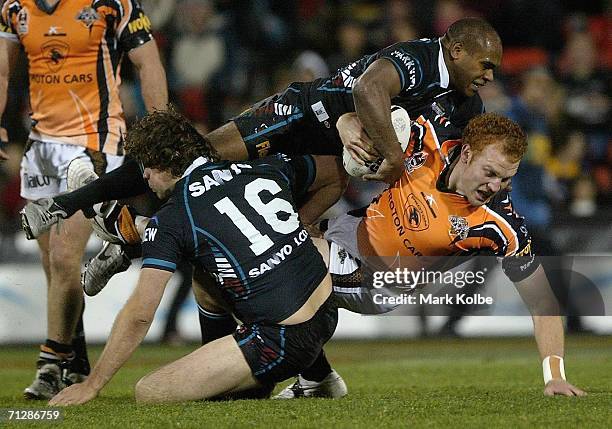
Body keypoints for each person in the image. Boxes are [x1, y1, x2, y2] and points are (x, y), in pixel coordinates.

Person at [20, 16, 502, 241]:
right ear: (456, 51)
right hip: (304, 111)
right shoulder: (418, 59)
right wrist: (394, 158)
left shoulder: (465, 99)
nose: (490, 75)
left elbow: (457, 149)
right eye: (485, 64)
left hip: (332, 153)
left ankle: (133, 237)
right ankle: (63, 205)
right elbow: (367, 93)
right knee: (195, 159)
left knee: (294, 221)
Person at [278, 112, 585, 397]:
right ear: (466, 154)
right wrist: (349, 124)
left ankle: (310, 372)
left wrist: (554, 375)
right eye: (490, 172)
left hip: (376, 280)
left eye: (506, 180)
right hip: (346, 228)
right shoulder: (428, 134)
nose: (495, 187)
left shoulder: (501, 227)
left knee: (280, 266)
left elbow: (543, 301)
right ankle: (311, 372)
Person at [49, 107, 341, 406]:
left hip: (282, 340)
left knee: (150, 391)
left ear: (164, 162)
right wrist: (302, 222)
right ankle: (309, 375)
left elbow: (140, 312)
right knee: (203, 276)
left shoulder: (173, 218)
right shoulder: (261, 168)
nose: (145, 176)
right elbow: (335, 170)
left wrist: (92, 385)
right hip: (327, 312)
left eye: (146, 165)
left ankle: (129, 226)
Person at [0, 0, 168, 400]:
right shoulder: (13, 7)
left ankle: (50, 363)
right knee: (52, 264)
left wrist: (161, 132)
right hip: (41, 146)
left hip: (96, 138)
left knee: (62, 256)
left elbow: (149, 63)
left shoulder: (112, 4)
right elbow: (3, 69)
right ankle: (75, 360)